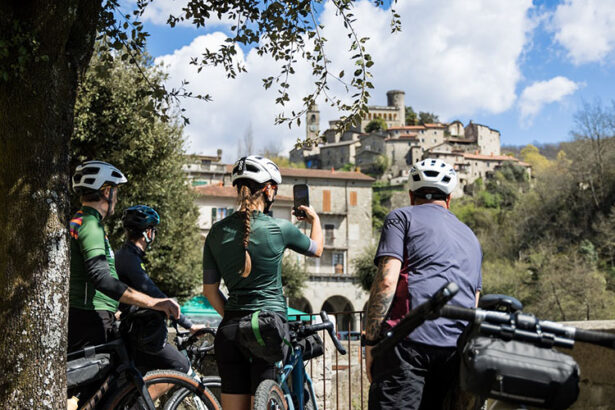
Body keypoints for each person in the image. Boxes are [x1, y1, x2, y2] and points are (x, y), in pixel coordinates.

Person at [202, 155, 323, 410]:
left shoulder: (215, 232)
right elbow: (317, 249)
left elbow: (210, 292)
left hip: (230, 330)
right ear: (268, 189)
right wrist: (314, 220)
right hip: (266, 329)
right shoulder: (280, 228)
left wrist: (237, 317)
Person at [364, 158, 482, 410]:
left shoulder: (401, 217)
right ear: (449, 199)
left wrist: (372, 342)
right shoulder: (470, 236)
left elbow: (386, 281)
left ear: (410, 195)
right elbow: (474, 301)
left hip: (406, 342)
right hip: (454, 353)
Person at [68, 161, 180, 353]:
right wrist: (153, 302)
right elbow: (102, 279)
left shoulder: (79, 220)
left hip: (91, 315)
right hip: (90, 318)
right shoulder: (90, 224)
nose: (117, 198)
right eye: (116, 192)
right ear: (106, 192)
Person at [115, 205, 205, 374]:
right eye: (153, 230)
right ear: (148, 233)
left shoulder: (125, 255)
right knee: (181, 367)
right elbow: (154, 294)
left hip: (130, 332)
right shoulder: (130, 259)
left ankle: (137, 400)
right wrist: (189, 325)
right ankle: (141, 401)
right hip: (140, 334)